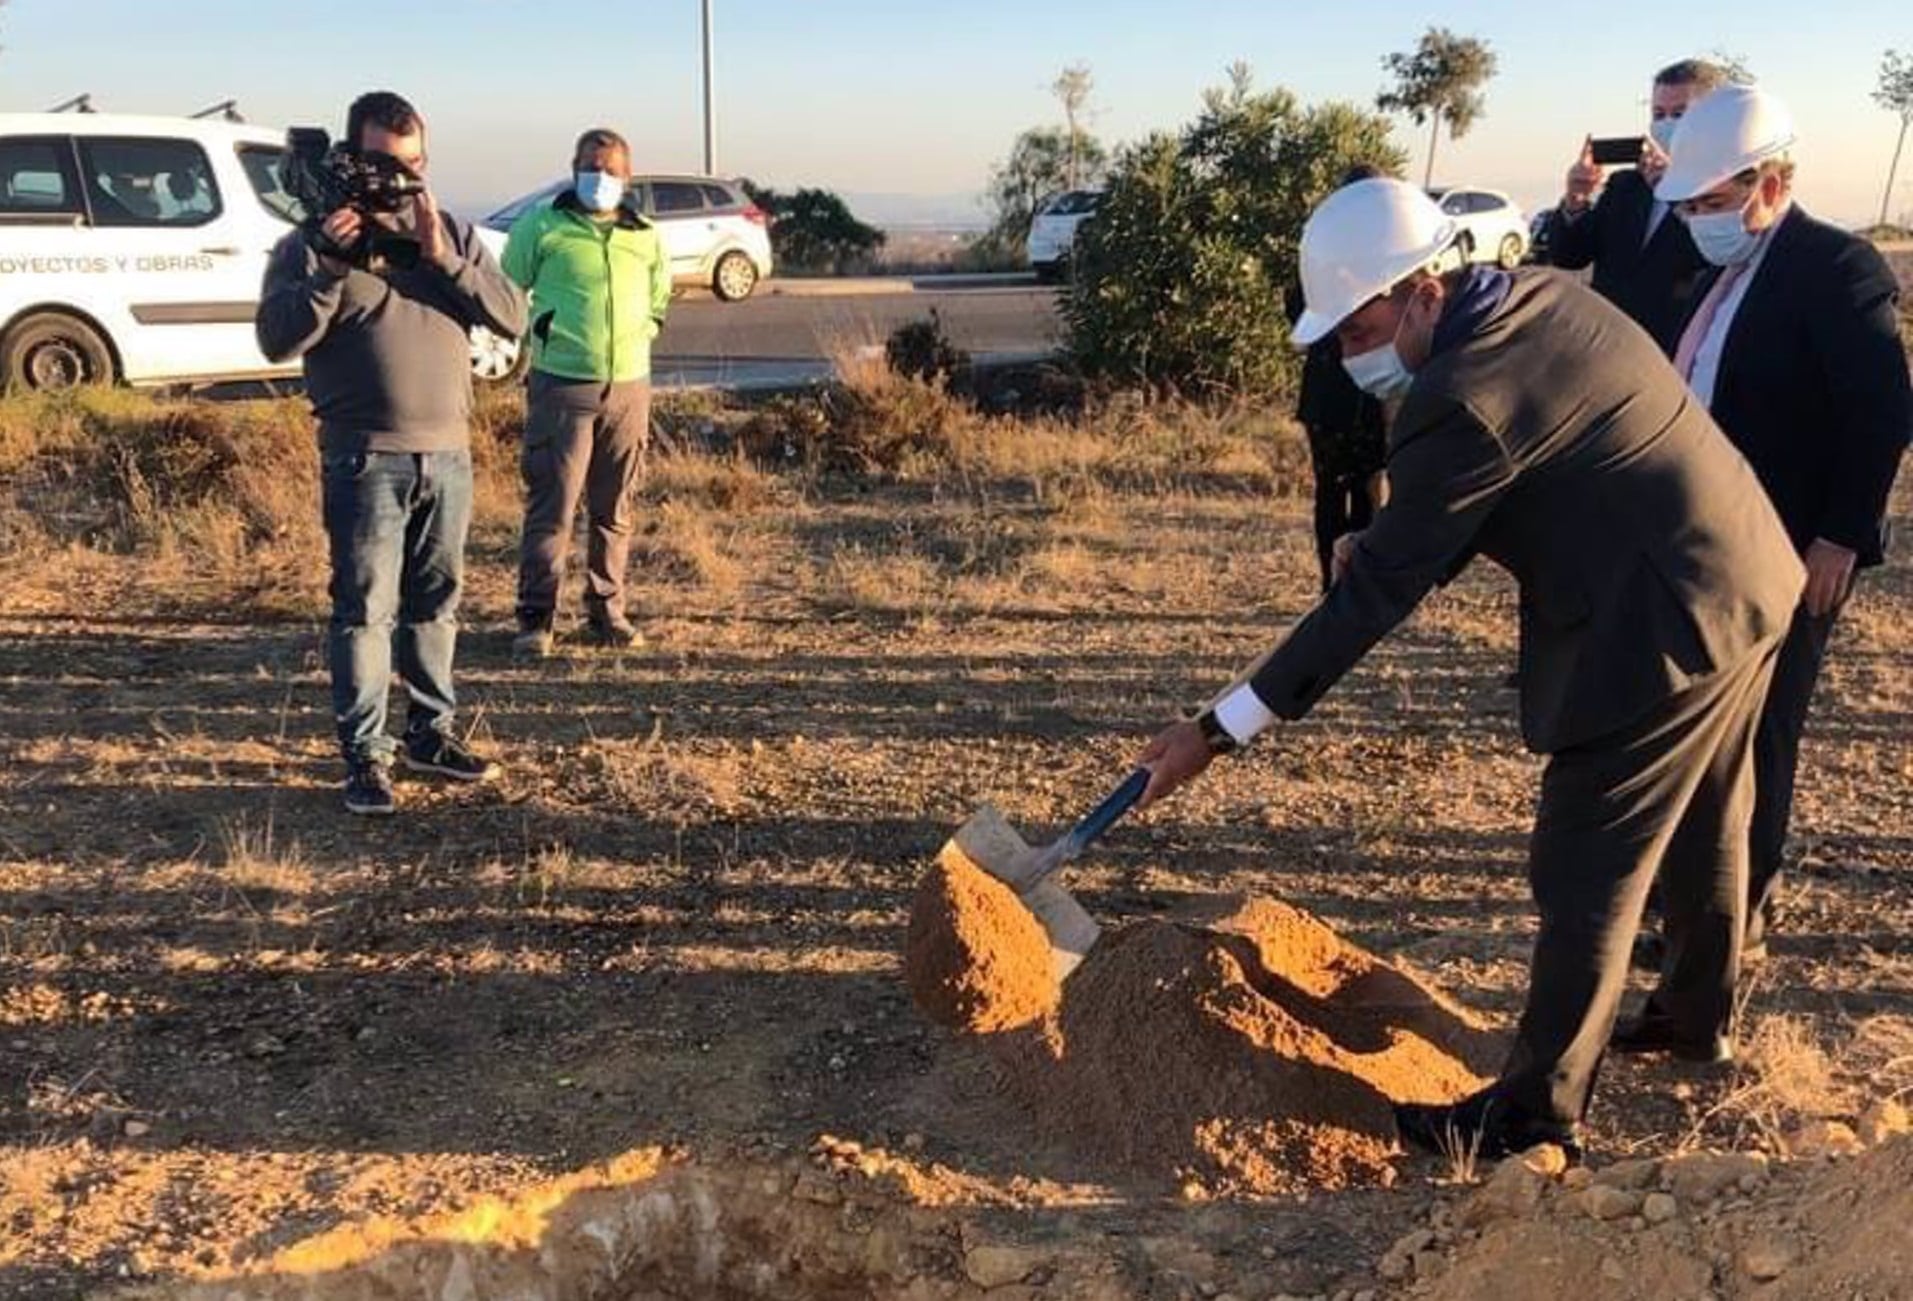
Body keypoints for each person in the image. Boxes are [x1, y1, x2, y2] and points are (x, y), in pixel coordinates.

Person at [1134, 179, 1803, 1158]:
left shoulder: (1456, 395)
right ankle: (1694, 1019)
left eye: (1356, 323)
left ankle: (1533, 1116)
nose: (1346, 350)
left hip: (1660, 620)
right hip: (1742, 569)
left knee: (1584, 865)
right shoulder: (1532, 296)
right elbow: (1503, 477)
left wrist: (1213, 728)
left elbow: (1374, 598)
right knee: (1708, 813)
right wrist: (1401, 537)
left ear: (1418, 290)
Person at [1646, 85, 1911, 967]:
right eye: (1689, 206)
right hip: (1699, 545)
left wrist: (1841, 532)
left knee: (1761, 735)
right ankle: (1686, 913)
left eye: (1713, 204)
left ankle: (1738, 919)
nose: (1698, 220)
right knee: (1693, 727)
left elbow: (1879, 411)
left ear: (1773, 181)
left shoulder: (1836, 268)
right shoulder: (1713, 270)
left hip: (1793, 550)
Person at [257, 91, 528, 816]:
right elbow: (278, 338)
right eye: (382, 165)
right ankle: (366, 756)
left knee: (436, 605)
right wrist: (328, 269)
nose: (398, 182)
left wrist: (443, 258)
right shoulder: (309, 243)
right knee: (364, 612)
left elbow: (510, 316)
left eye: (413, 165)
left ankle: (430, 734)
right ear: (351, 160)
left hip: (448, 455)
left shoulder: (453, 236)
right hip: (364, 458)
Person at [501, 128, 673, 658]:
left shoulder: (643, 234)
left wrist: (644, 330)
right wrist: (540, 332)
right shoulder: (542, 225)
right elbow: (509, 286)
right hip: (561, 385)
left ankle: (607, 609)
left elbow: (659, 294)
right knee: (553, 506)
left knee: (613, 508)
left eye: (611, 169)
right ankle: (537, 617)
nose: (600, 177)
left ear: (627, 176)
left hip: (627, 386)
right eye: (590, 166)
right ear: (574, 168)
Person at [1546, 59, 1726, 351]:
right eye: (1659, 113)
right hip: (1604, 344)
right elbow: (1569, 256)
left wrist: (1676, 194)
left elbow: (1715, 258)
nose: (1667, 123)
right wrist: (1576, 199)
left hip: (1676, 349)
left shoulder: (1721, 192)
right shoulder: (1625, 186)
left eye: (1679, 113)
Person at [1288, 164, 1389, 592]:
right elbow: (1298, 310)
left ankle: (1338, 584)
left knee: (1345, 487)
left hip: (1343, 389)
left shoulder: (1320, 246)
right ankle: (1345, 585)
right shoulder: (1384, 250)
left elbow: (1295, 310)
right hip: (1357, 386)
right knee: (1358, 487)